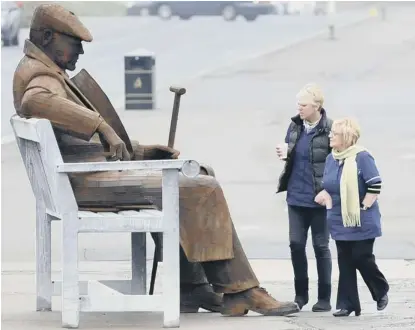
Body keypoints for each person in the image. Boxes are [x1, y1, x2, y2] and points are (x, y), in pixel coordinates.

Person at [13, 4, 299, 318]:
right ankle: (242, 290)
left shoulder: (47, 70)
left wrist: (141, 151)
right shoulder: (40, 74)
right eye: (74, 42)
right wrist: (100, 124)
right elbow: (35, 101)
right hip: (83, 183)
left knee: (201, 173)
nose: (80, 50)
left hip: (83, 175)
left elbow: (82, 145)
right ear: (47, 36)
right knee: (200, 188)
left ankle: (193, 286)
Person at [314, 117, 389, 317]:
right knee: (345, 262)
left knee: (361, 257)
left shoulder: (362, 157)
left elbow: (374, 185)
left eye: (335, 134)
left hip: (362, 218)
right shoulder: (332, 158)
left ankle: (380, 289)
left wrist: (364, 207)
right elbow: (329, 185)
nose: (330, 136)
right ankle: (347, 304)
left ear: (346, 137)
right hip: (339, 218)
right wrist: (326, 197)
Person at [276, 83, 333, 312]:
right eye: (298, 104)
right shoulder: (294, 126)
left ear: (316, 106)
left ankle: (325, 297)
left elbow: (336, 163)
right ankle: (301, 295)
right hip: (296, 197)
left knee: (321, 247)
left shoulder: (330, 129)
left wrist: (328, 191)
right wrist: (286, 153)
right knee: (296, 244)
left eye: (303, 104)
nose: (299, 108)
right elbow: (294, 154)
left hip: (319, 199)